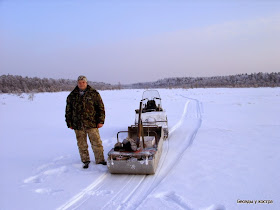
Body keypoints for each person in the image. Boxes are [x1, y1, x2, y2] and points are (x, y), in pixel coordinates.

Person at [65, 75, 106, 169]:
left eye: (83, 82)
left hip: (92, 123)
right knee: (81, 144)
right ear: (77, 83)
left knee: (97, 143)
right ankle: (85, 160)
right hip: (78, 124)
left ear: (86, 83)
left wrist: (101, 121)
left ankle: (100, 160)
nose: (81, 84)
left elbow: (100, 108)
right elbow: (68, 111)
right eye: (79, 82)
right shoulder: (72, 95)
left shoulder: (94, 93)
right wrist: (69, 123)